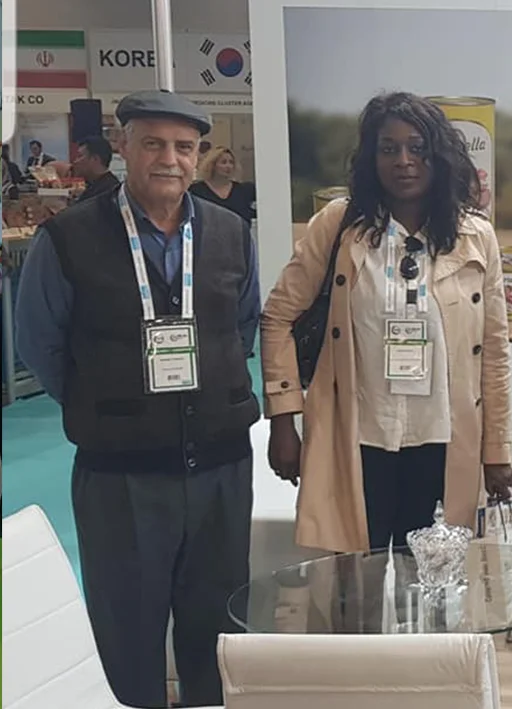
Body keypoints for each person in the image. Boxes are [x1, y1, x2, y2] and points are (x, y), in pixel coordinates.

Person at [14, 89, 261, 708]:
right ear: (124, 146)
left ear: (199, 155)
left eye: (184, 147)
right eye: (153, 143)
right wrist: (105, 402)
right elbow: (40, 343)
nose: (169, 159)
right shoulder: (67, 238)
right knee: (127, 632)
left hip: (220, 468)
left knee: (218, 630)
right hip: (120, 475)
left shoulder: (231, 233)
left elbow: (242, 327)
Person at [260, 91, 512, 556]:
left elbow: (494, 351)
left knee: (432, 578)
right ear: (370, 157)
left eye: (418, 148)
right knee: (354, 577)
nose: (404, 161)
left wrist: (497, 449)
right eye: (388, 148)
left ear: (439, 156)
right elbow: (278, 316)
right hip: (359, 436)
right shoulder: (338, 226)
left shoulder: (476, 236)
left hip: (443, 439)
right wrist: (282, 418)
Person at [189, 146, 257, 223]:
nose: (228, 166)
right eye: (223, 162)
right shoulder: (196, 191)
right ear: (212, 165)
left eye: (231, 162)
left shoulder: (245, 190)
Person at [73, 135, 121, 202]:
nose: (75, 161)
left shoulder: (105, 192)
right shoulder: (95, 186)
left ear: (95, 159)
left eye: (80, 156)